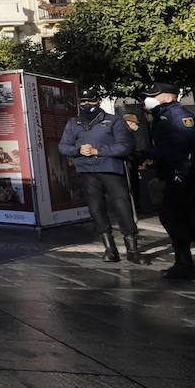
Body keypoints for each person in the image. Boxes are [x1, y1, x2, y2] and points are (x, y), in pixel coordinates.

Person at [144, 83, 195, 279]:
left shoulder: (176, 115)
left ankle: (186, 263)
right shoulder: (164, 115)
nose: (149, 99)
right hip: (178, 172)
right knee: (189, 216)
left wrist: (153, 153)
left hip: (179, 173)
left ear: (169, 97)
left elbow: (187, 144)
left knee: (173, 216)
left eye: (155, 96)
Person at [59, 88, 138, 262]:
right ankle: (110, 248)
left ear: (98, 101)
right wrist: (78, 150)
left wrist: (98, 151)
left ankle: (132, 249)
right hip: (87, 171)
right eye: (83, 102)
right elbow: (63, 146)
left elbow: (125, 146)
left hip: (111, 169)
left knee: (122, 206)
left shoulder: (114, 120)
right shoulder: (74, 123)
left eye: (91, 101)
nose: (87, 104)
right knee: (96, 209)